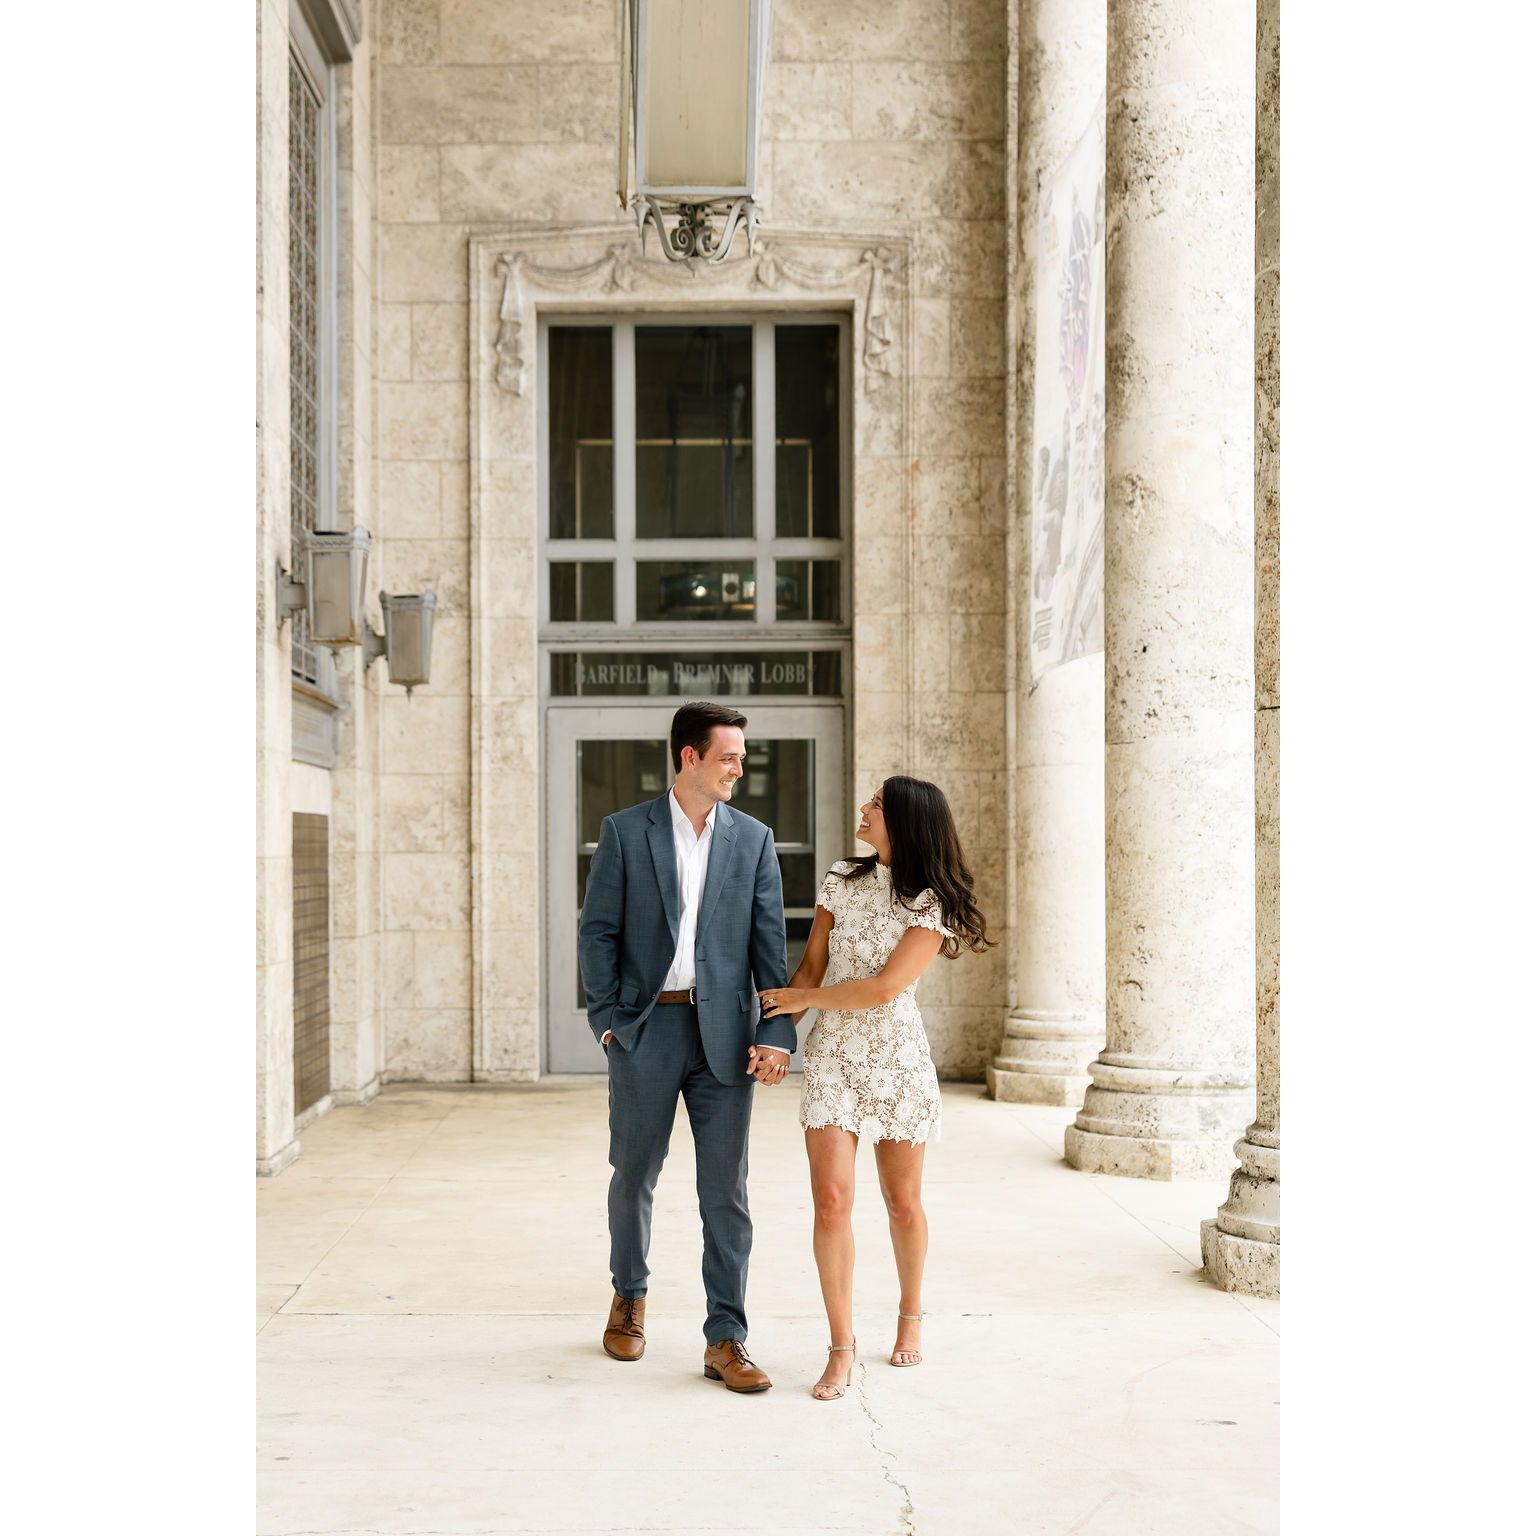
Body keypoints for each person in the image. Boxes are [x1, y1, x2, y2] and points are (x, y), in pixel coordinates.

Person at [578, 701, 795, 1393]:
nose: (739, 770)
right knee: (634, 1173)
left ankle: (726, 1338)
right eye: (729, 757)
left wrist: (775, 1033)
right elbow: (598, 932)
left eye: (742, 759)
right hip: (647, 1029)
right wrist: (609, 1021)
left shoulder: (754, 839)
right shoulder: (625, 831)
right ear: (689, 757)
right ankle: (629, 1298)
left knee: (725, 1191)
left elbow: (769, 948)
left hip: (726, 1037)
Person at [757, 777, 994, 1401]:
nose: (863, 808)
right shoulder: (841, 879)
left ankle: (910, 1313)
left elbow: (886, 987)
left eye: (877, 805)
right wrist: (778, 1039)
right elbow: (809, 968)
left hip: (896, 1061)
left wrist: (805, 999)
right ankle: (841, 1345)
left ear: (907, 822)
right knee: (831, 1201)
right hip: (833, 1057)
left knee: (901, 1202)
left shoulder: (930, 903)